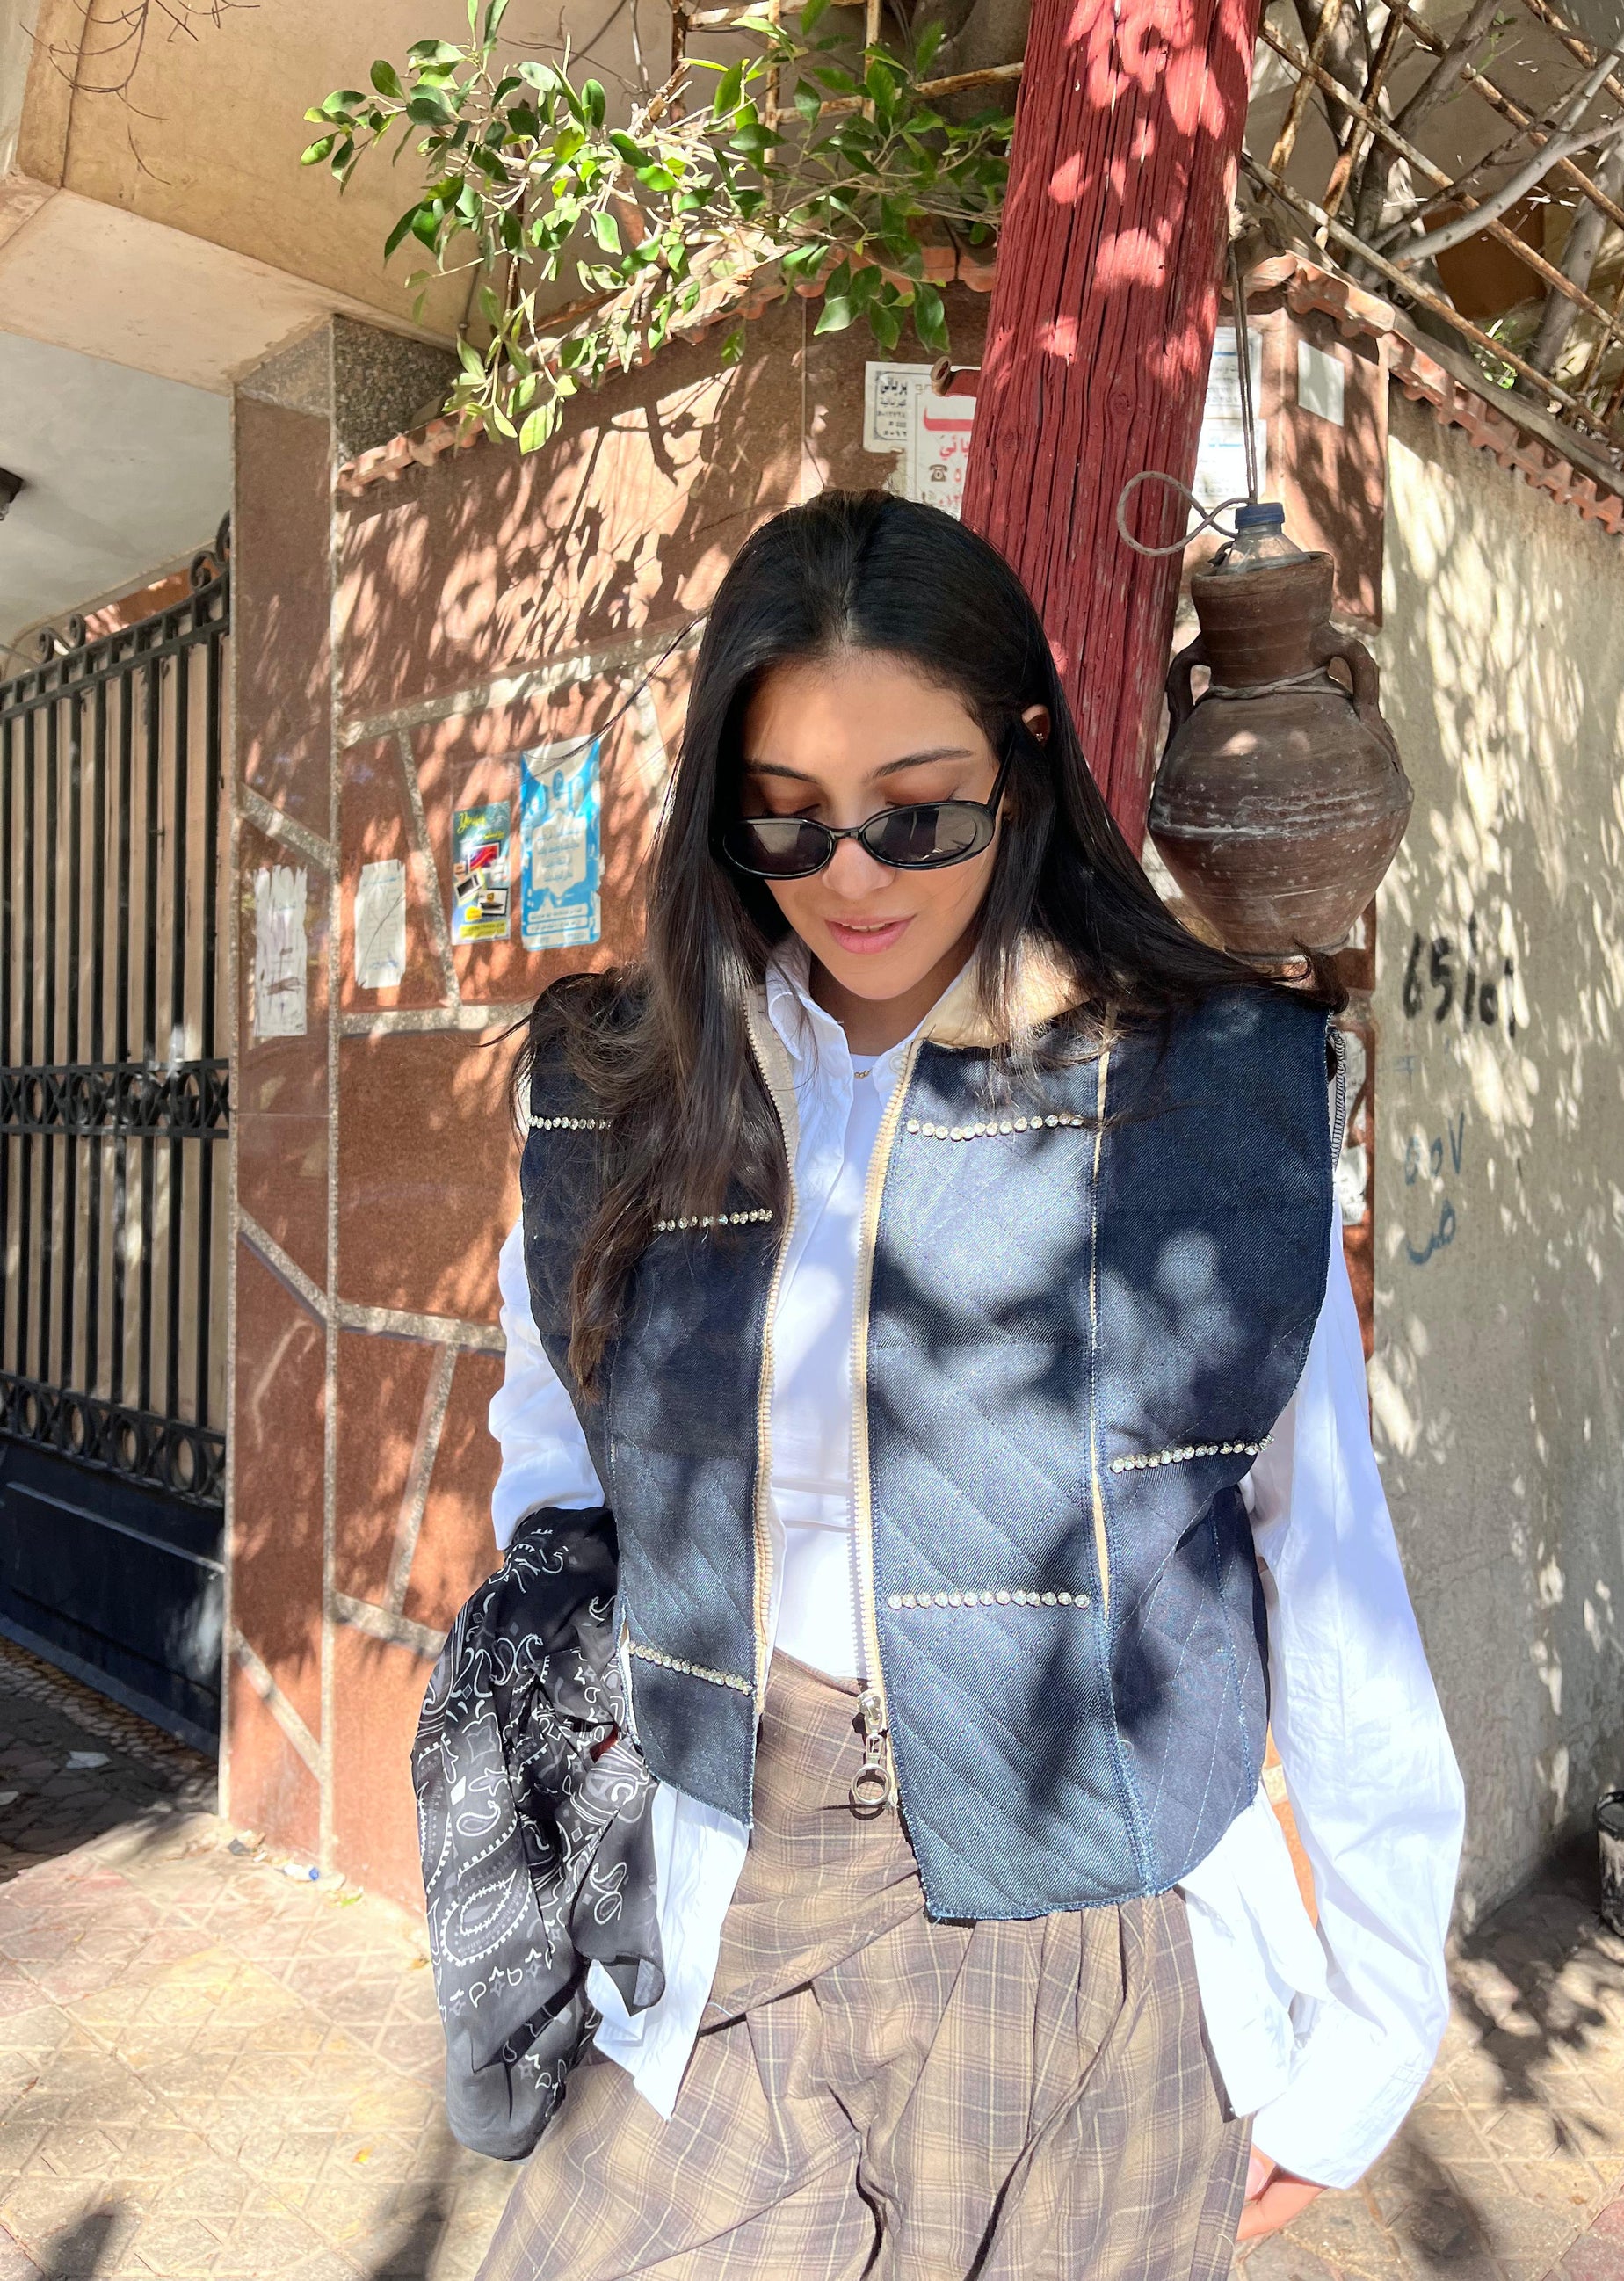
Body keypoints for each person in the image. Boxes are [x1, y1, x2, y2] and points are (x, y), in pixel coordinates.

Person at [473, 489, 1464, 2281]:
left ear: (1020, 763)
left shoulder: (1205, 1097)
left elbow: (1324, 1565)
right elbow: (554, 1471)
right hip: (729, 1889)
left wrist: (1375, 2020)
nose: (850, 875)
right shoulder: (617, 1094)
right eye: (784, 818)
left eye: (915, 811)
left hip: (1099, 1930)